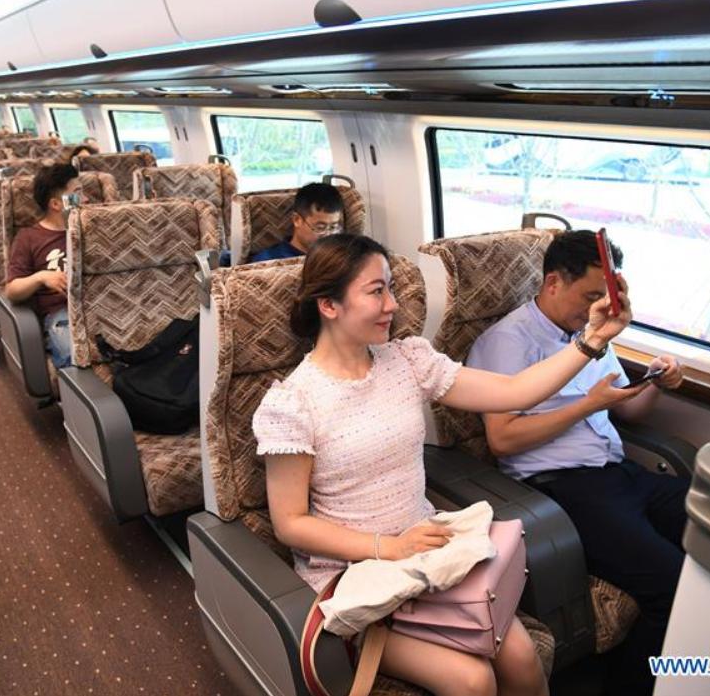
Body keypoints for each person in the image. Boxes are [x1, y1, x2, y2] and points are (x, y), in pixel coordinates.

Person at [254, 233, 633, 696]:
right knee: (472, 681)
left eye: (392, 288)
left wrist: (592, 340)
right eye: (377, 291)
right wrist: (387, 547)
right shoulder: (292, 404)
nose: (393, 304)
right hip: (355, 573)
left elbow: (514, 392)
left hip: (428, 552)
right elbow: (290, 523)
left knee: (522, 658)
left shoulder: (408, 360)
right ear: (329, 305)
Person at [466, 230, 686, 695]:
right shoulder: (508, 341)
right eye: (589, 296)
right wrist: (587, 404)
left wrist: (657, 382)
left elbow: (628, 409)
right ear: (553, 283)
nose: (596, 309)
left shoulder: (591, 332)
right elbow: (502, 439)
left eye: (604, 299)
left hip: (620, 473)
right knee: (673, 583)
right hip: (563, 489)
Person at [4, 162, 79, 370]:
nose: (87, 199)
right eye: (78, 193)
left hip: (100, 308)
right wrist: (41, 277)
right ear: (56, 204)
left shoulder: (92, 229)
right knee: (73, 354)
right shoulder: (29, 238)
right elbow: (12, 290)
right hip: (63, 313)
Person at [250, 182, 345, 262]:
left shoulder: (342, 257)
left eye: (333, 227)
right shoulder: (267, 261)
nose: (328, 235)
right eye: (320, 228)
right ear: (297, 220)